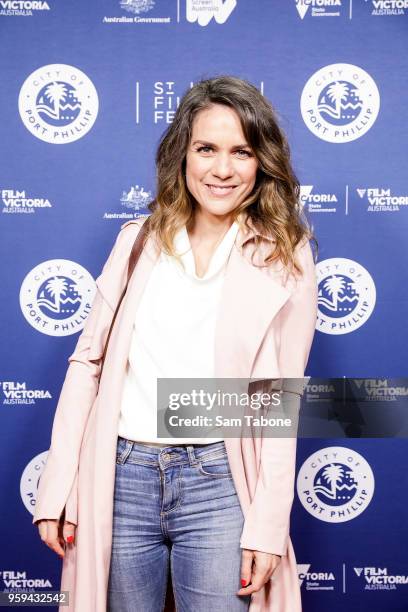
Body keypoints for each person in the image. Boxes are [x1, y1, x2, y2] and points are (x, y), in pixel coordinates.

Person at [33, 75, 318, 612]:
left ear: (262, 163)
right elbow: (86, 366)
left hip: (220, 483)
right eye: (206, 149)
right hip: (120, 478)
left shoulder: (287, 254)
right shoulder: (136, 242)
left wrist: (268, 522)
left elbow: (281, 398)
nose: (222, 169)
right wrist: (58, 486)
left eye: (242, 152)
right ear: (181, 155)